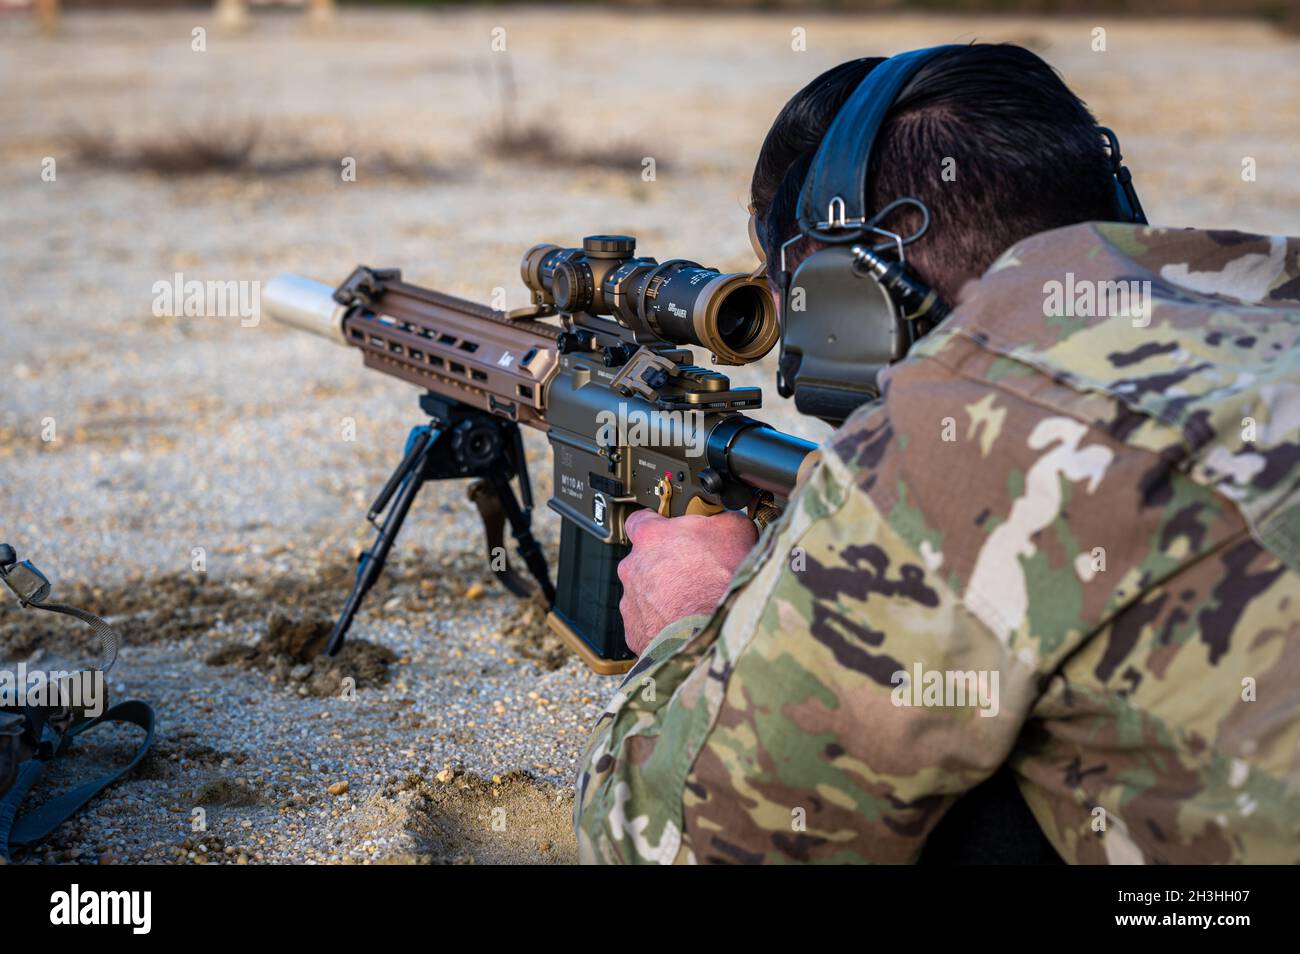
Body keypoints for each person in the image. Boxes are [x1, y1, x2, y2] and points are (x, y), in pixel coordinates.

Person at [574, 43, 1300, 864]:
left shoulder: (957, 447)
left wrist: (696, 620)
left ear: (844, 293)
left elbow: (669, 843)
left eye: (780, 286)